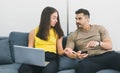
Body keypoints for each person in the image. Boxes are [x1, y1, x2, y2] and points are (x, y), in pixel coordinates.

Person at [64, 8, 120, 73]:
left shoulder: (99, 28)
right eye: (76, 19)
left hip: (107, 55)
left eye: (80, 18)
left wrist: (99, 43)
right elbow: (68, 51)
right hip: (90, 59)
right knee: (80, 68)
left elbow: (109, 46)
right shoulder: (73, 35)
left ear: (87, 19)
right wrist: (76, 55)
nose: (77, 21)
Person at [19, 6, 64, 73]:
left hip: (50, 59)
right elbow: (29, 49)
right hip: (36, 59)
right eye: (54, 18)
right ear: (46, 18)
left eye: (57, 18)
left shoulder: (58, 32)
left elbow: (60, 51)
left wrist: (66, 51)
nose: (56, 20)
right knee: (23, 69)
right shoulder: (33, 32)